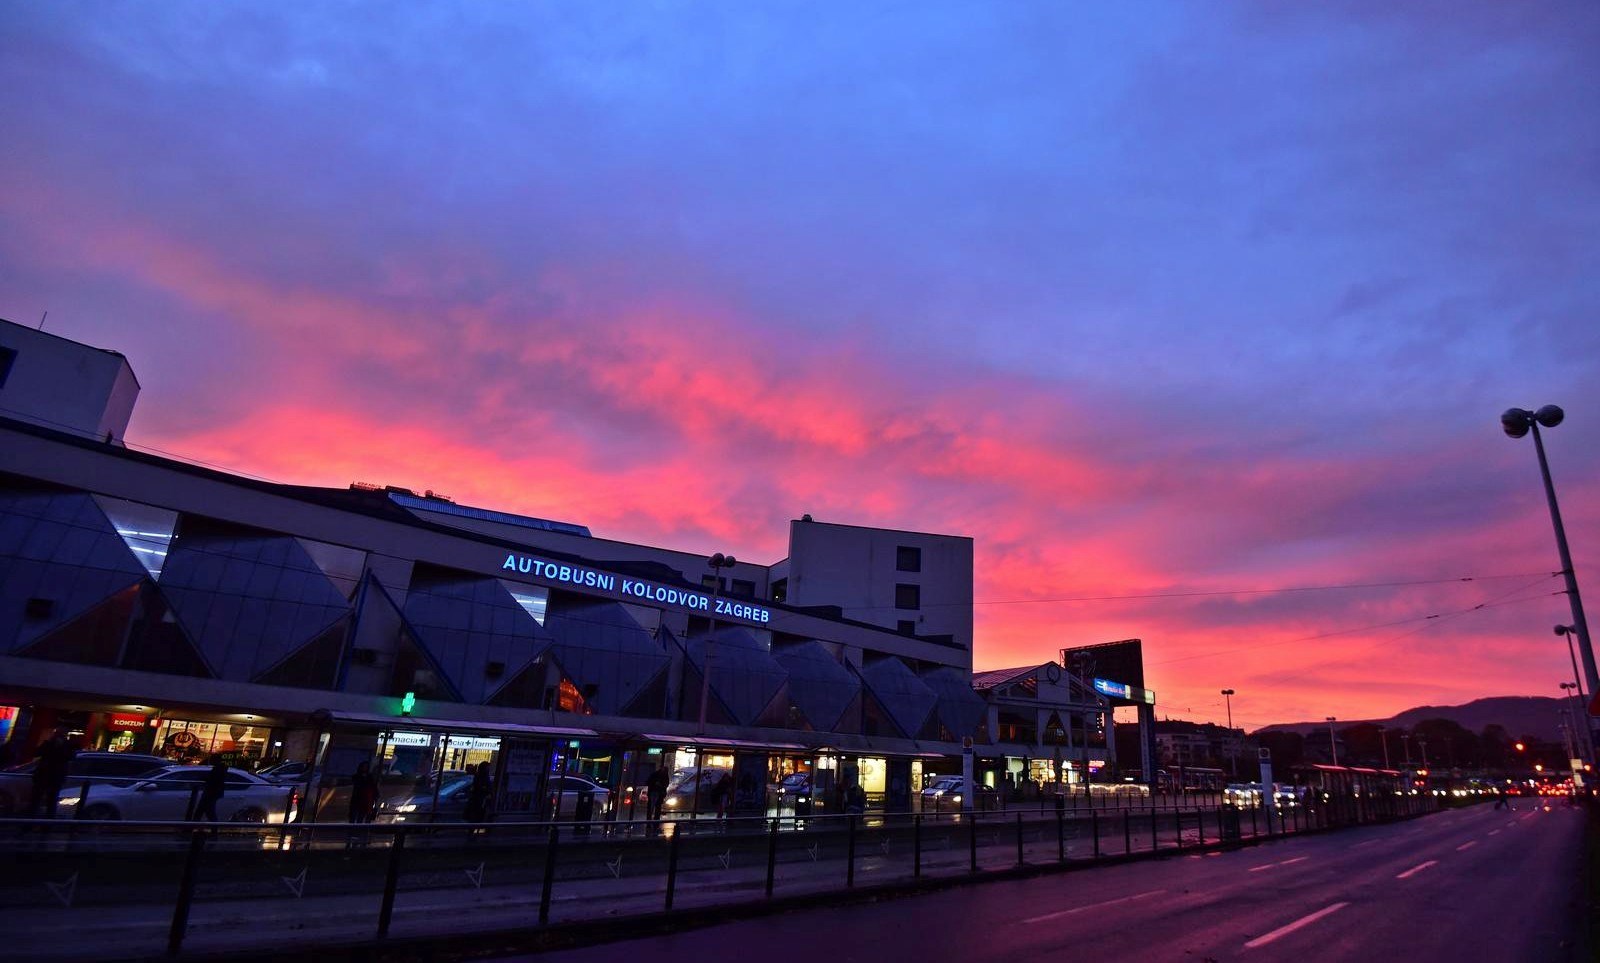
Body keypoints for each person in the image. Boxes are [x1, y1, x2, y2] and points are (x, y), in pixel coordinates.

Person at [30, 728, 76, 817]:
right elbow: (71, 757)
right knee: (51, 799)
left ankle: (32, 818)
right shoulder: (67, 746)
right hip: (55, 776)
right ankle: (47, 820)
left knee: (37, 799)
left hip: (44, 774)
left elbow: (36, 752)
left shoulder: (50, 744)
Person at [194, 756, 228, 822]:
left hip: (211, 792)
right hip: (213, 792)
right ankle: (195, 823)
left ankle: (194, 824)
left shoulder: (217, 769)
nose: (211, 762)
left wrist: (204, 779)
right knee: (205, 810)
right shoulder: (221, 769)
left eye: (212, 760)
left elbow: (213, 780)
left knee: (207, 810)